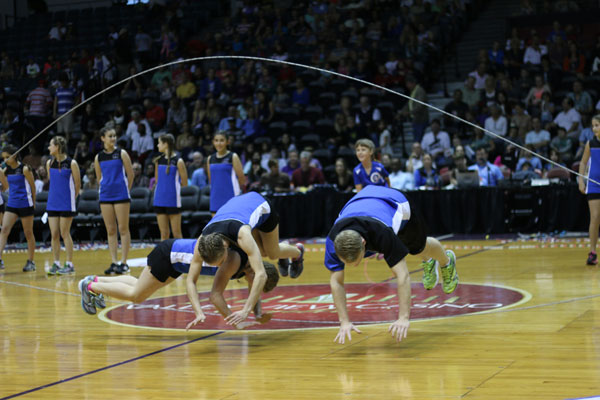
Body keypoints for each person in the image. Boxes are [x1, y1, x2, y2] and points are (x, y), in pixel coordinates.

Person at [324, 185, 458, 344]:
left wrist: (403, 317)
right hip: (368, 202)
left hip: (396, 202)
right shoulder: (333, 241)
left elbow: (402, 276)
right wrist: (344, 322)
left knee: (419, 249)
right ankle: (428, 261)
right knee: (401, 250)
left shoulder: (382, 234)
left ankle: (446, 262)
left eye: (356, 261)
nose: (353, 266)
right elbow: (336, 282)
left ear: (364, 242)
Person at [78, 238, 278, 328]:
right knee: (136, 296)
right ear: (254, 274)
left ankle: (95, 280)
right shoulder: (234, 262)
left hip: (177, 262)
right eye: (257, 284)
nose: (254, 288)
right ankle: (90, 287)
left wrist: (258, 313)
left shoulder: (250, 266)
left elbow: (254, 288)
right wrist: (238, 323)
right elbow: (215, 297)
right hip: (169, 256)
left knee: (139, 285)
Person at [186, 191, 305, 328]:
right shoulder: (202, 241)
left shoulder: (242, 235)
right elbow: (190, 280)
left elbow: (260, 274)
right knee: (258, 252)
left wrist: (246, 310)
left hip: (260, 205)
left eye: (221, 262)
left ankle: (297, 253)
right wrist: (198, 312)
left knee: (271, 253)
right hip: (238, 208)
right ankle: (282, 254)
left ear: (225, 246)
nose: (220, 267)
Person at [94, 127, 134, 275]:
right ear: (103, 138)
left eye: (114, 136)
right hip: (105, 195)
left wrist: (125, 189)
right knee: (110, 230)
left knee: (123, 228)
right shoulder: (99, 157)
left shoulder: (122, 153)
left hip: (121, 195)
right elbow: (99, 178)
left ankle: (124, 262)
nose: (113, 138)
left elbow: (130, 174)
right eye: (110, 136)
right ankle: (114, 262)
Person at [46, 136, 80, 275]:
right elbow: (52, 182)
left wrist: (71, 199)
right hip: (52, 203)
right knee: (54, 234)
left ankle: (69, 264)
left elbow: (77, 185)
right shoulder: (49, 163)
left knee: (64, 233)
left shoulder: (72, 163)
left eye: (51, 145)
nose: (49, 147)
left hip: (66, 203)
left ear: (57, 147)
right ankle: (56, 263)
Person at [0, 145, 36, 271]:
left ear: (14, 155)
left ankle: (31, 261)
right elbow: (5, 187)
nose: (5, 160)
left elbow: (33, 187)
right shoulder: (6, 170)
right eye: (3, 158)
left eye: (7, 157)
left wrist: (33, 203)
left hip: (25, 204)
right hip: (12, 204)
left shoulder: (25, 169)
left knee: (28, 233)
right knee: (4, 230)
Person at [153, 134, 188, 240]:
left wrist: (172, 189)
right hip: (159, 199)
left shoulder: (179, 161)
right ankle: (165, 251)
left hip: (173, 200)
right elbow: (157, 180)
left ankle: (180, 251)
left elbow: (185, 182)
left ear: (166, 144)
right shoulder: (158, 160)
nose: (158, 145)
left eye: (159, 143)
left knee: (176, 233)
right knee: (164, 233)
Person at [578, 114, 600, 265]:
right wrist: (581, 181)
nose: (594, 128)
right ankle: (592, 252)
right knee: (595, 217)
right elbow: (583, 163)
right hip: (593, 184)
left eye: (597, 125)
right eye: (593, 126)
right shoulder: (590, 143)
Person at [207, 131, 246, 214]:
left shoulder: (233, 156)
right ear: (213, 142)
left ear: (227, 142)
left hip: (231, 197)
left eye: (222, 140)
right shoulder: (210, 159)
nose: (219, 143)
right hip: (215, 198)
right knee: (216, 222)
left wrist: (236, 191)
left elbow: (242, 179)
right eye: (216, 140)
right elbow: (211, 180)